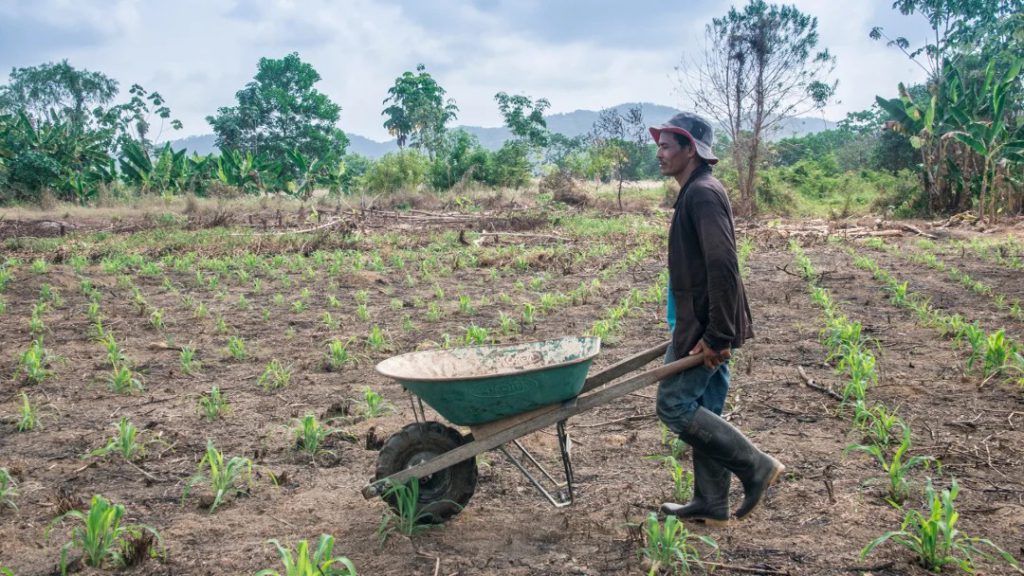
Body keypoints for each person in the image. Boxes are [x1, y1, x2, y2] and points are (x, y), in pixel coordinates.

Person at [651, 112, 784, 524]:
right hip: (702, 323)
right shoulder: (694, 190)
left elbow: (723, 266)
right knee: (706, 404)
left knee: (673, 405)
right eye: (659, 145)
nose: (659, 153)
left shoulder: (703, 193)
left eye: (667, 145)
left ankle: (756, 466)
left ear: (691, 149)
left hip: (706, 327)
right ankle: (711, 502)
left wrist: (717, 334)